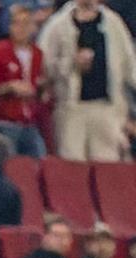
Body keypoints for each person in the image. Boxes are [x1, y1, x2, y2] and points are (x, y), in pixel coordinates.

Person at [39, 0, 136, 161]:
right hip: (71, 109)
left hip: (107, 108)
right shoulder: (58, 24)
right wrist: (71, 64)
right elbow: (44, 66)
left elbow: (129, 64)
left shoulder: (113, 22)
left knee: (107, 164)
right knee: (72, 164)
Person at [0, 6, 50, 157]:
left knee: (39, 161)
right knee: (8, 163)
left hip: (30, 120)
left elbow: (39, 87)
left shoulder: (38, 53)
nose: (21, 28)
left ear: (34, 27)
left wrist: (42, 88)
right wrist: (12, 87)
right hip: (5, 120)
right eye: (16, 23)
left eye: (26, 24)